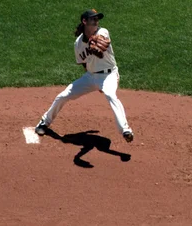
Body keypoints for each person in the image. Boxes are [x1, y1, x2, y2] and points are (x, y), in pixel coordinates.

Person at [35, 9, 134, 142]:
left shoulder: (102, 31)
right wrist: (93, 79)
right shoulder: (78, 44)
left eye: (97, 19)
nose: (96, 22)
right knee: (63, 95)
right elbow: (83, 63)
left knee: (110, 95)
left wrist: (96, 41)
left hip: (109, 75)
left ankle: (125, 130)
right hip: (91, 76)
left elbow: (103, 39)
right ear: (84, 21)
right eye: (93, 19)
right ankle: (44, 122)